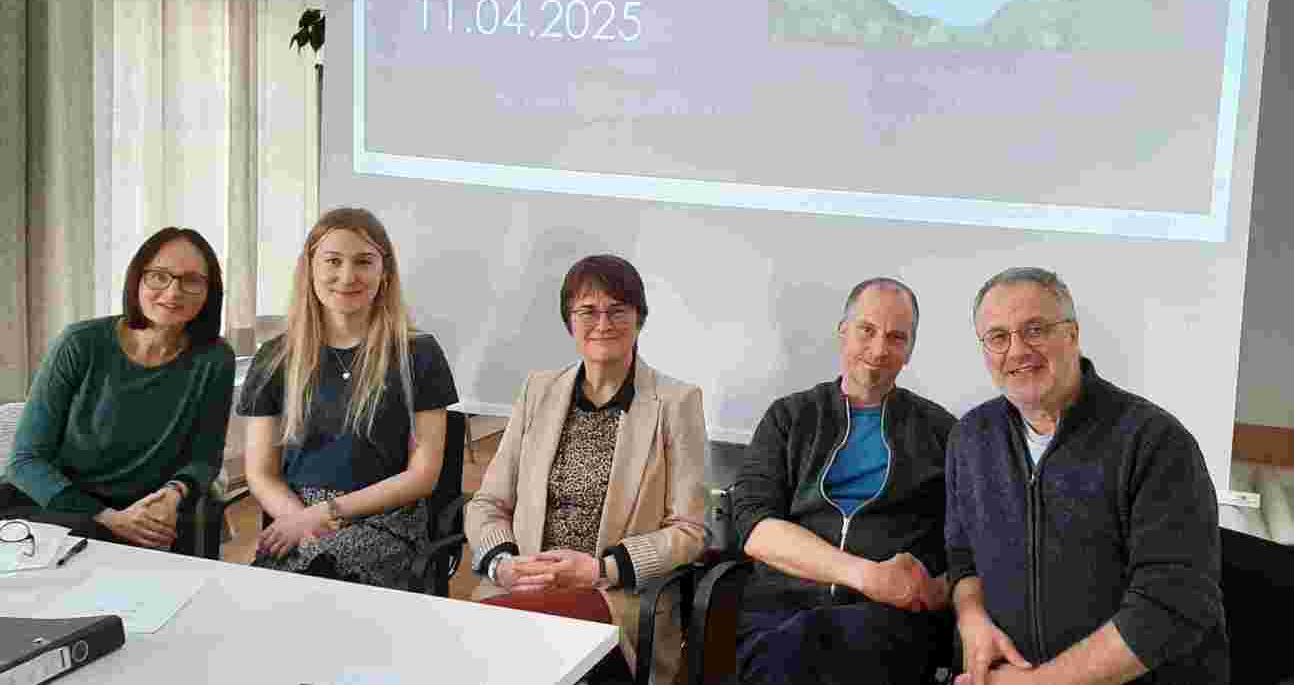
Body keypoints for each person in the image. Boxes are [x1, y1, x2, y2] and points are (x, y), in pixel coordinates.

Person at [946, 267, 1227, 685]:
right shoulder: (969, 438)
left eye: (1035, 330)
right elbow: (961, 556)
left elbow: (1171, 607)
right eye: (998, 337)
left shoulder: (1154, 441)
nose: (1017, 350)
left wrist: (1036, 684)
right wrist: (972, 620)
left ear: (1073, 335)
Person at [465, 255, 708, 685]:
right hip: (522, 585)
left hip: (613, 596)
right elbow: (488, 503)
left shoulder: (676, 402)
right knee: (490, 638)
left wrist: (599, 570)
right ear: (569, 321)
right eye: (588, 311)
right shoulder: (538, 389)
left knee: (490, 639)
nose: (603, 323)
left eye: (618, 310)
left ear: (639, 318)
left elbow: (689, 531)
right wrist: (503, 564)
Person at [731, 277, 956, 685]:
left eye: (896, 337)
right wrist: (866, 576)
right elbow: (754, 526)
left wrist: (935, 590)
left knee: (829, 646)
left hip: (889, 624)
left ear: (909, 350)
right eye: (866, 330)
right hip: (781, 613)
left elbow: (971, 543)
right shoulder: (789, 418)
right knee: (792, 647)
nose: (879, 349)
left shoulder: (943, 433)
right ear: (842, 332)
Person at [236, 207, 458, 587]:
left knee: (319, 578)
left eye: (364, 262)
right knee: (268, 593)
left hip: (386, 518)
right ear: (310, 268)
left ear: (384, 271)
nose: (347, 276)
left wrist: (324, 515)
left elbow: (423, 476)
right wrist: (301, 522)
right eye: (333, 261)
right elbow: (261, 473)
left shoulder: (419, 353)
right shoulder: (274, 357)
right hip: (295, 513)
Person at [3, 227, 235, 551]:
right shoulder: (80, 343)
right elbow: (24, 461)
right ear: (137, 279)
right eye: (159, 276)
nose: (173, 292)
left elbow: (205, 457)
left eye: (192, 281)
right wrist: (107, 518)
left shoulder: (215, 358)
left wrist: (173, 494)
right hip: (60, 504)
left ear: (210, 292)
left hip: (145, 507)